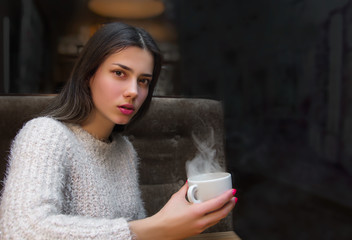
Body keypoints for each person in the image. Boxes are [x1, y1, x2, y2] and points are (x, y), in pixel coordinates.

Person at [0, 22, 237, 239]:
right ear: (88, 75)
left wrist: (178, 221)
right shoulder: (45, 134)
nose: (133, 91)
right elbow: (21, 230)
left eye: (143, 80)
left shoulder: (125, 152)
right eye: (119, 73)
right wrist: (156, 227)